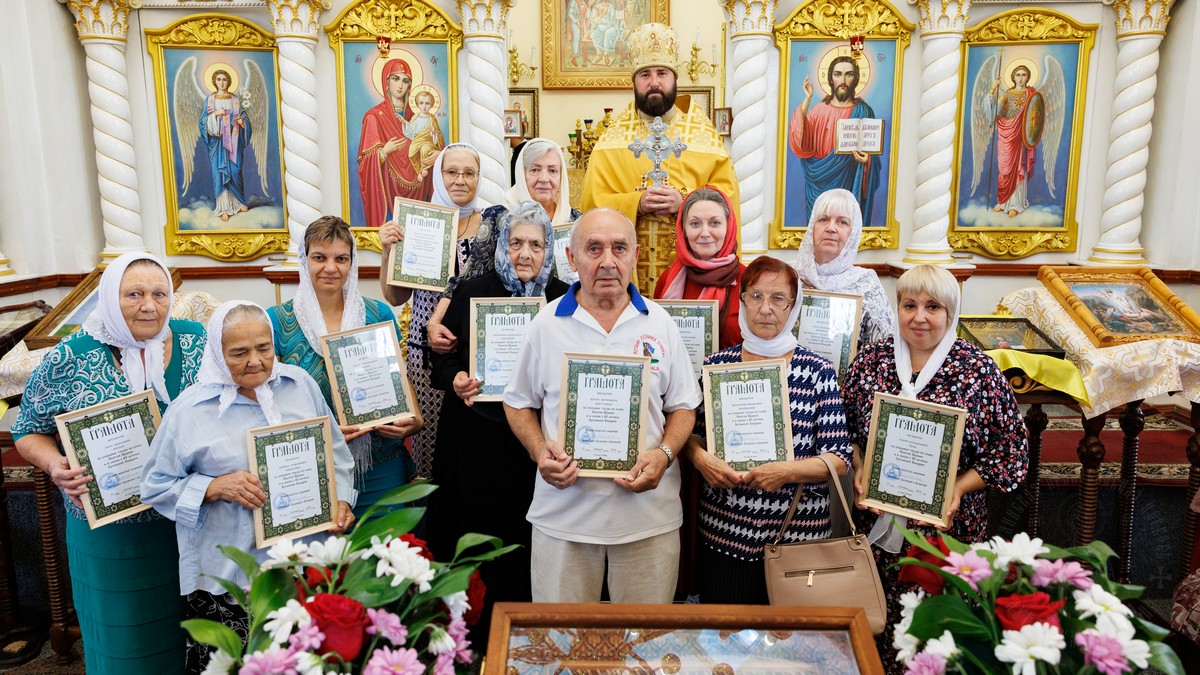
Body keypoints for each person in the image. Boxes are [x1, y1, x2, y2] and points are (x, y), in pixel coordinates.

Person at [13, 253, 206, 675]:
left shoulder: (196, 340)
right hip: (110, 538)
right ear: (108, 297)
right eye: (133, 294)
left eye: (159, 293)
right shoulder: (71, 355)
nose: (149, 305)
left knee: (191, 643)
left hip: (188, 527)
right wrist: (54, 465)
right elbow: (27, 429)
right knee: (125, 646)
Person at [141, 301, 357, 674]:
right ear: (217, 353)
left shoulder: (299, 385)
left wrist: (341, 500)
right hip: (229, 574)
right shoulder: (189, 410)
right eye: (239, 353)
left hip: (302, 564)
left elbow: (335, 453)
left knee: (309, 662)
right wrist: (213, 487)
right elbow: (154, 486)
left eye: (264, 348)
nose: (255, 361)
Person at [503, 207, 701, 603]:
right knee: (562, 649)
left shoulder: (660, 323)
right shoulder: (546, 324)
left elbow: (683, 407)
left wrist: (663, 455)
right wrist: (540, 450)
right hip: (563, 518)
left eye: (619, 248)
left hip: (648, 519)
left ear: (635, 255)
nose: (607, 261)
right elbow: (518, 403)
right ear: (572, 258)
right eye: (594, 249)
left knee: (643, 649)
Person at [841, 265, 1028, 671]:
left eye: (932, 307)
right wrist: (859, 467)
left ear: (951, 312)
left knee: (936, 641)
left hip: (947, 534)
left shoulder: (978, 371)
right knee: (875, 630)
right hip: (873, 527)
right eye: (909, 305)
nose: (919, 317)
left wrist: (958, 488)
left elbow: (1011, 450)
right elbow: (849, 429)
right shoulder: (870, 362)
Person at [428, 201, 571, 639]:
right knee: (479, 532)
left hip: (534, 441)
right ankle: (475, 634)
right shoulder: (474, 291)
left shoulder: (562, 297)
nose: (524, 253)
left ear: (548, 248)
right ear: (502, 246)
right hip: (477, 436)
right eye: (515, 243)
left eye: (534, 244)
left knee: (529, 532)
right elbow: (440, 361)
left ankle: (530, 633)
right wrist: (456, 381)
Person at [683, 256, 852, 603]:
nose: (765, 308)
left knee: (789, 649)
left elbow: (838, 460)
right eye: (755, 296)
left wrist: (785, 473)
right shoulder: (716, 366)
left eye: (778, 298)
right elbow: (691, 434)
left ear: (794, 306)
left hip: (797, 544)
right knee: (725, 647)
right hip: (724, 536)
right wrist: (701, 460)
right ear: (742, 301)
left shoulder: (818, 371)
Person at [268, 216, 420, 516]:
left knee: (388, 558)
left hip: (382, 465)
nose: (330, 268)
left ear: (352, 263)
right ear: (304, 260)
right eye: (319, 258)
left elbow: (399, 379)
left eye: (341, 258)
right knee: (328, 561)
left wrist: (414, 421)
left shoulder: (378, 314)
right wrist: (326, 431)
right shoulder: (277, 322)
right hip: (314, 472)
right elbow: (270, 404)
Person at [581, 22, 739, 295]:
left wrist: (686, 203)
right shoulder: (612, 139)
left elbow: (728, 203)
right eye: (645, 74)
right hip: (625, 273)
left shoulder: (704, 136)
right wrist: (635, 203)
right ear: (634, 82)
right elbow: (592, 205)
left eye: (662, 73)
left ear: (674, 79)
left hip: (693, 271)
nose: (654, 82)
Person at [380, 143, 484, 478]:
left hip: (475, 356)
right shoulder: (418, 223)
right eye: (451, 172)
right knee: (432, 450)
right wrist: (388, 251)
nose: (460, 180)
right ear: (438, 176)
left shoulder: (491, 227)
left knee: (473, 448)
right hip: (426, 361)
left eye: (469, 173)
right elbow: (396, 297)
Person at [424, 139, 579, 360]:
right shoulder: (498, 216)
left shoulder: (576, 223)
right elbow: (466, 278)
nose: (544, 178)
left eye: (552, 170)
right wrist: (435, 321)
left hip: (559, 330)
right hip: (504, 331)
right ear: (521, 174)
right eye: (535, 169)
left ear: (561, 176)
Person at [788, 55, 882, 227]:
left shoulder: (864, 111)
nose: (843, 80)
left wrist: (867, 160)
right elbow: (801, 144)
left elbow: (873, 156)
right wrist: (807, 99)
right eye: (838, 74)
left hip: (849, 183)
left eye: (849, 74)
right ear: (830, 78)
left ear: (856, 79)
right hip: (819, 182)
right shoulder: (818, 110)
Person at [796, 188, 895, 345]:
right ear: (811, 228)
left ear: (853, 233)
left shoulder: (866, 284)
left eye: (842, 222)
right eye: (823, 219)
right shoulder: (790, 278)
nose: (831, 228)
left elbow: (884, 346)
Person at [653, 186, 745, 349]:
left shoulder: (748, 280)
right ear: (684, 230)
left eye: (714, 223)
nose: (705, 233)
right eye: (695, 223)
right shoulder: (667, 279)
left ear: (728, 227)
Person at [357, 58, 434, 228]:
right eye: (395, 79)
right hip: (388, 193)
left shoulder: (418, 119)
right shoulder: (374, 117)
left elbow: (433, 146)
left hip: (417, 193)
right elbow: (364, 165)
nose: (400, 85)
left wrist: (435, 156)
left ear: (410, 85)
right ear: (386, 81)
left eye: (405, 80)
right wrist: (384, 152)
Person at [202, 69, 251, 221]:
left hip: (234, 141)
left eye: (224, 79)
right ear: (214, 82)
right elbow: (202, 122)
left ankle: (237, 203)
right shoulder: (210, 100)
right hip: (218, 143)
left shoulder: (236, 100)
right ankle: (223, 208)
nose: (222, 82)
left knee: (235, 171)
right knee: (219, 173)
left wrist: (243, 123)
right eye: (219, 79)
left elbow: (244, 119)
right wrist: (215, 114)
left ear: (229, 81)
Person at [404, 87, 445, 177]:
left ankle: (424, 168)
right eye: (421, 103)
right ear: (417, 104)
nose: (424, 106)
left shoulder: (432, 118)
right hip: (417, 142)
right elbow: (410, 131)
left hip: (429, 142)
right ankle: (419, 169)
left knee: (425, 148)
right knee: (411, 153)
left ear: (431, 105)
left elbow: (438, 135)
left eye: (427, 103)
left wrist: (434, 133)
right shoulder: (415, 117)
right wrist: (404, 123)